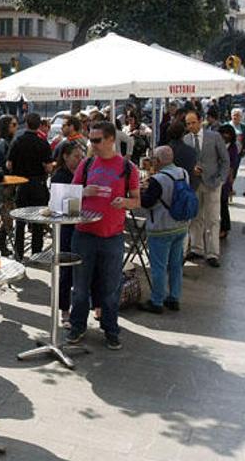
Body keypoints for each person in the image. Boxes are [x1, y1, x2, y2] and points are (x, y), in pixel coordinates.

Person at [66, 122, 140, 350]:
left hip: (112, 237)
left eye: (97, 140)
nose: (92, 144)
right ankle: (77, 326)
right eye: (91, 140)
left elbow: (137, 201)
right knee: (80, 287)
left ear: (111, 140)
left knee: (110, 288)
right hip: (84, 235)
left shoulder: (128, 168)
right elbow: (68, 196)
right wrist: (82, 191)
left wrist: (125, 202)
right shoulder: (86, 165)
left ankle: (110, 329)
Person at [138, 146, 189, 314]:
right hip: (180, 225)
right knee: (176, 264)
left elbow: (146, 202)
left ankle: (157, 300)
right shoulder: (183, 172)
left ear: (158, 161)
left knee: (159, 266)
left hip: (161, 227)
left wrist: (141, 191)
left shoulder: (158, 179)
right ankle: (174, 297)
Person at [183, 111, 230, 268]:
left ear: (200, 121)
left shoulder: (214, 137)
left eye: (193, 123)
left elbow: (225, 159)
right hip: (195, 184)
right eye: (188, 124)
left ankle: (212, 253)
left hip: (212, 183)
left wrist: (220, 179)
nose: (191, 126)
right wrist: (191, 169)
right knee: (195, 218)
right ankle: (196, 248)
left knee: (212, 219)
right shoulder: (186, 139)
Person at [6, 112, 53, 260]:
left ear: (25, 123)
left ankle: (19, 253)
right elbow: (49, 168)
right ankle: (36, 253)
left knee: (20, 220)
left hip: (20, 184)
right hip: (38, 184)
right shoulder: (43, 143)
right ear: (39, 125)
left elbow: (9, 164)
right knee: (38, 220)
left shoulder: (17, 141)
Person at [50, 140, 85, 326]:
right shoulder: (60, 175)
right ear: (65, 156)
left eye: (81, 156)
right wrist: (83, 192)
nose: (80, 160)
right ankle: (64, 311)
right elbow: (59, 202)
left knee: (84, 268)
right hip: (65, 228)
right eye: (76, 156)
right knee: (66, 270)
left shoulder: (83, 173)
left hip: (83, 227)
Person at [218, 125, 239, 240]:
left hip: (225, 178)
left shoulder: (233, 147)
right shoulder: (217, 144)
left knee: (223, 203)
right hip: (216, 177)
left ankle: (225, 228)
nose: (225, 136)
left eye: (227, 133)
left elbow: (232, 165)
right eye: (223, 133)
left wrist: (230, 181)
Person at [166, 120, 198, 189]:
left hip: (168, 188)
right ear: (183, 134)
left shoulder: (165, 151)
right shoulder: (191, 151)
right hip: (187, 188)